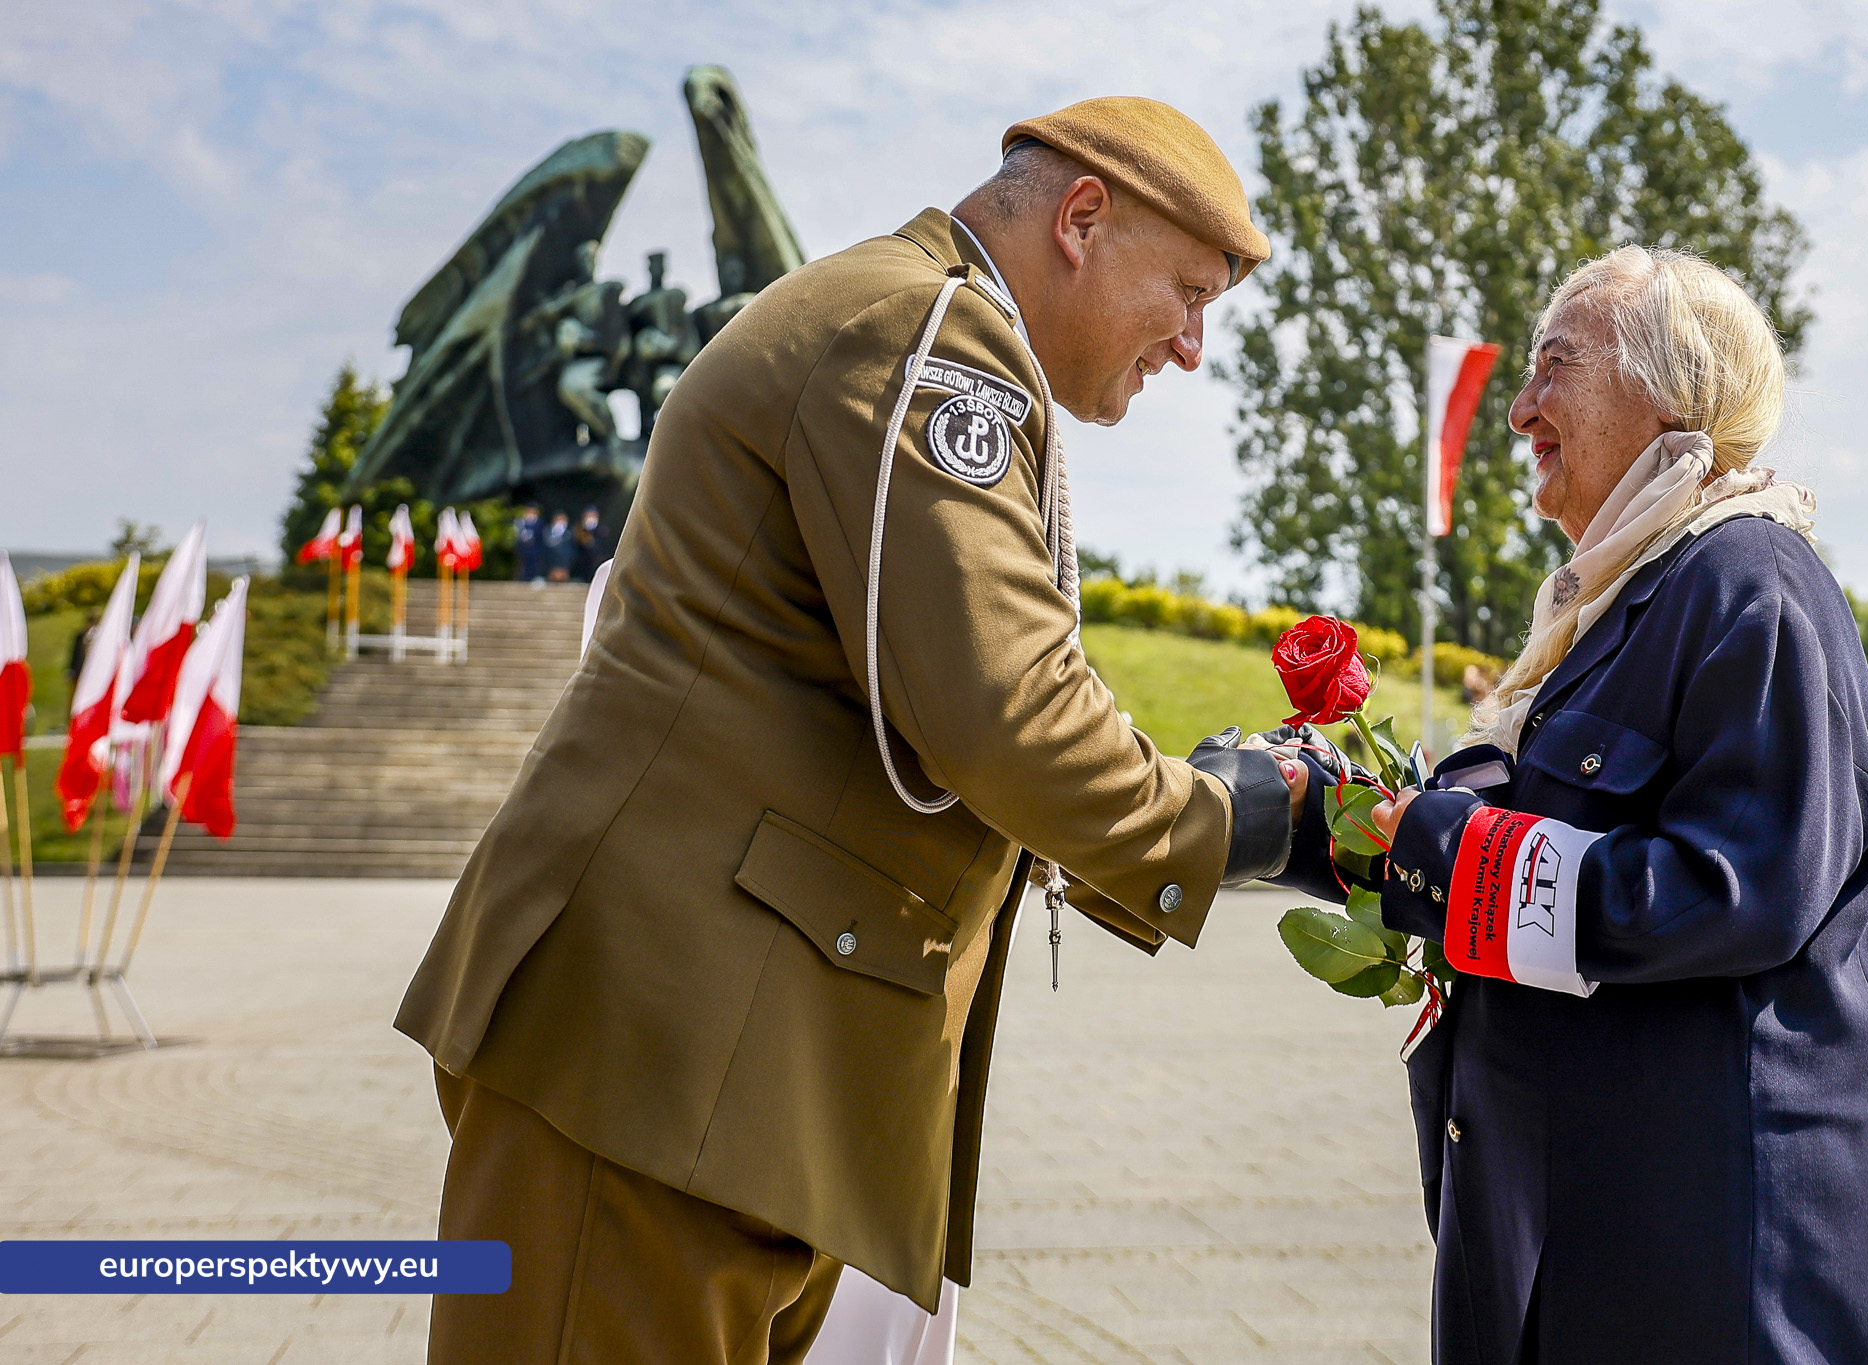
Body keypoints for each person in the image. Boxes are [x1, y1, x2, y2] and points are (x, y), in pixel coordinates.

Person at [396, 98, 1334, 1364]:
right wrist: (1239, 816)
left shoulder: (918, 323)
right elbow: (1001, 715)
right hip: (656, 1073)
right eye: (1186, 290)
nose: (1191, 345)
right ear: (1080, 218)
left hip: (719, 1081)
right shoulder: (924, 333)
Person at [1364, 245, 1868, 1361]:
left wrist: (1440, 855)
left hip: (1700, 1276)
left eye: (1552, 365)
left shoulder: (1749, 582)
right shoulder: (1629, 597)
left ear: (1669, 392)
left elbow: (1727, 891)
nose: (1518, 411)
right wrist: (1356, 830)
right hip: (1582, 1244)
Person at [571, 506, 610, 583]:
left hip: (596, 564)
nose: (590, 518)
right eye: (589, 515)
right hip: (581, 567)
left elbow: (603, 549)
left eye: (593, 515)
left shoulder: (602, 530)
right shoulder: (579, 529)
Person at [541, 510, 575, 583]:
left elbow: (572, 552)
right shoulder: (546, 532)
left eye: (563, 519)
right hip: (551, 564)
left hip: (565, 564)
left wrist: (566, 567)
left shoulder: (570, 533)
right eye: (558, 519)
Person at [514, 506, 544, 585]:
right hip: (523, 550)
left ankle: (532, 578)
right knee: (522, 566)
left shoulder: (539, 523)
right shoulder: (520, 523)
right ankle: (523, 579)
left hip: (534, 551)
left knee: (534, 566)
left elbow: (540, 538)